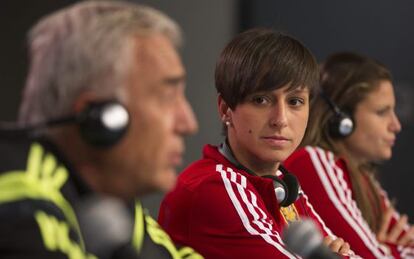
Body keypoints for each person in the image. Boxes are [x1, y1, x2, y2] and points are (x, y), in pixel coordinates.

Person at [0, 1, 202, 258]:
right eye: (167, 95)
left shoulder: (111, 205)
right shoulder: (18, 203)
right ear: (102, 117)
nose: (188, 124)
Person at [158, 28, 355, 258]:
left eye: (295, 101)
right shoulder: (214, 188)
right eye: (261, 100)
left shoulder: (284, 185)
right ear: (225, 109)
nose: (280, 119)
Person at [285, 51, 414, 258]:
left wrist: (387, 249)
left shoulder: (363, 178)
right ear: (342, 118)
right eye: (382, 112)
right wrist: (389, 249)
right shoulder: (312, 161)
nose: (396, 125)